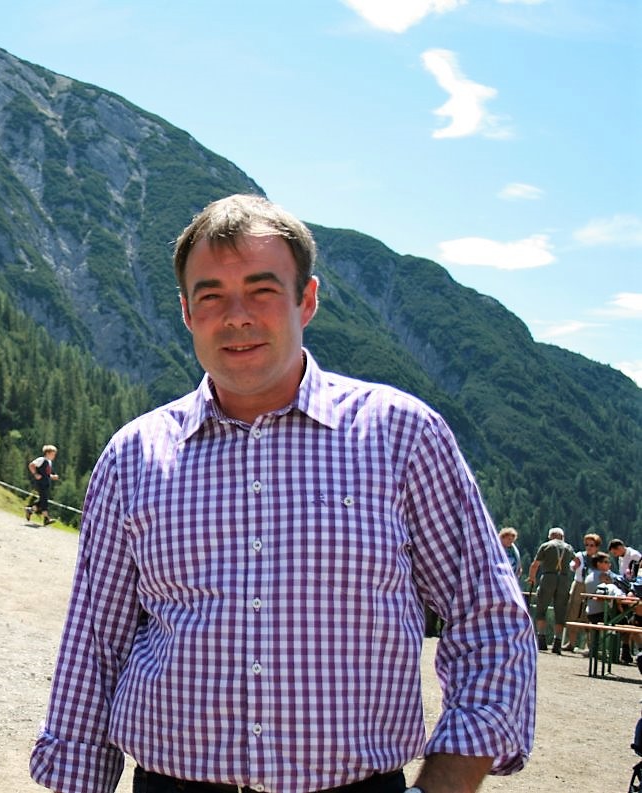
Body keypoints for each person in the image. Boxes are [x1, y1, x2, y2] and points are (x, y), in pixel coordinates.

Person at [30, 194, 535, 793]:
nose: (236, 316)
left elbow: (490, 619)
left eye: (263, 290)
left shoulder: (401, 434)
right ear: (188, 314)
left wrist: (446, 783)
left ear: (308, 300)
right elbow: (94, 646)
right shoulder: (135, 456)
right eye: (211, 295)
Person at [527, 527, 576, 654]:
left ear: (550, 536)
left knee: (541, 607)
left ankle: (541, 639)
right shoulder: (568, 547)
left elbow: (535, 564)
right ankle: (557, 642)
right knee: (560, 610)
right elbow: (577, 562)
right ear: (562, 537)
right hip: (564, 579)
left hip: (548, 577)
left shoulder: (546, 546)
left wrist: (532, 578)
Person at [562, 533, 602, 651]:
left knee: (589, 614)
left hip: (592, 587)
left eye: (592, 545)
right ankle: (571, 642)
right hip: (579, 585)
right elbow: (572, 565)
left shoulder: (600, 559)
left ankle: (588, 645)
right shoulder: (580, 555)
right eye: (587, 545)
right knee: (573, 613)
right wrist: (574, 566)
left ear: (597, 547)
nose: (589, 547)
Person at [24, 444, 59, 525]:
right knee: (44, 500)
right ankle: (46, 518)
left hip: (46, 483)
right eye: (53, 454)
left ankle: (30, 510)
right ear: (47, 453)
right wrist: (35, 474)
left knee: (43, 500)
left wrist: (52, 476)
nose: (54, 456)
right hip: (41, 483)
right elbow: (31, 465)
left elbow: (46, 473)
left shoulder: (49, 462)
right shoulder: (41, 460)